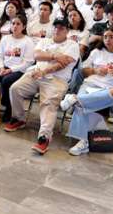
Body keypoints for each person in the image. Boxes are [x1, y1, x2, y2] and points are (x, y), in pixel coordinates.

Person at [8, 19, 80, 154]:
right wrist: (54, 55)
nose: (57, 30)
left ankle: (44, 137)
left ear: (67, 31)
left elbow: (63, 64)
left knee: (49, 102)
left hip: (56, 79)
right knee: (15, 88)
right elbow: (36, 55)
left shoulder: (72, 45)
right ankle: (19, 119)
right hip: (35, 73)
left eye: (61, 28)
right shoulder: (45, 41)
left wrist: (45, 69)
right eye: (56, 27)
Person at [61, 27, 113, 156]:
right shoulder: (96, 52)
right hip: (91, 84)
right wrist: (95, 71)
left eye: (111, 37)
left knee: (111, 93)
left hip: (110, 89)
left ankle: (73, 99)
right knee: (81, 105)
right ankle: (83, 142)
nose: (107, 40)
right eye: (105, 37)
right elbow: (83, 70)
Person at [0, 14, 35, 123]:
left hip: (20, 70)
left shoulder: (28, 41)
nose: (15, 26)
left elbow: (28, 63)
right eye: (13, 23)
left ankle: (9, 108)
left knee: (6, 81)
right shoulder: (6, 38)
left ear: (23, 27)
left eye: (18, 24)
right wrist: (1, 67)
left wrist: (10, 70)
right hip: (5, 67)